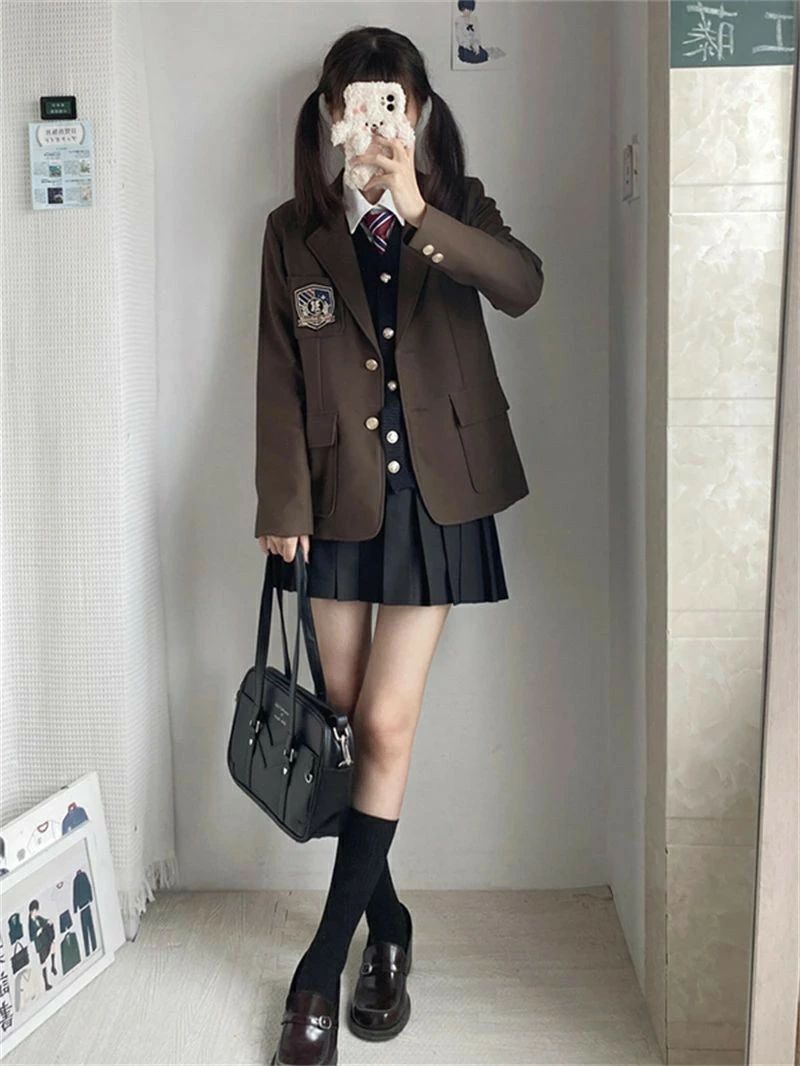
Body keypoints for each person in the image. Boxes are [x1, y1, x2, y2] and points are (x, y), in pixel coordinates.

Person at [255, 26, 544, 1066]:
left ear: (417, 112)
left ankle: (318, 969)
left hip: (435, 495)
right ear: (330, 117)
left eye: (392, 101)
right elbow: (278, 369)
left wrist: (416, 207)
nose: (373, 119)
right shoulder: (294, 229)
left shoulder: (457, 208)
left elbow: (522, 285)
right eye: (355, 102)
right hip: (333, 496)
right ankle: (390, 924)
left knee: (382, 721)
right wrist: (279, 499)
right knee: (343, 720)